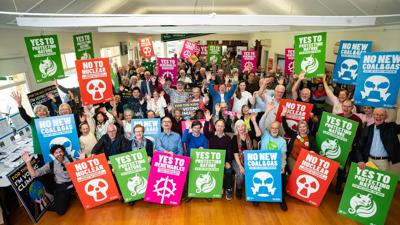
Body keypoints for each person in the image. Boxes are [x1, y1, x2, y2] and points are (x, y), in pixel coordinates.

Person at [21, 144, 84, 215]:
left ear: (63, 152)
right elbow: (34, 174)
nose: (59, 154)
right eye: (56, 153)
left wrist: (82, 160)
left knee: (86, 200)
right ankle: (65, 197)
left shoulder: (71, 159)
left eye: (60, 151)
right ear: (53, 154)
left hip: (74, 185)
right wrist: (28, 162)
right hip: (62, 188)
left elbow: (81, 168)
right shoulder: (51, 165)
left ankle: (71, 195)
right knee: (60, 211)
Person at [204, 111, 234, 200]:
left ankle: (228, 189)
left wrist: (227, 162)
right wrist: (207, 121)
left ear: (224, 127)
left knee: (229, 171)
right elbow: (205, 131)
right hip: (212, 163)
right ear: (215, 127)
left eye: (221, 126)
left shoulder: (228, 138)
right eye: (218, 126)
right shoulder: (211, 135)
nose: (220, 128)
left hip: (224, 162)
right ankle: (214, 188)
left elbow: (229, 151)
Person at [231, 115, 261, 200]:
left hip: (250, 160)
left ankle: (253, 190)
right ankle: (239, 189)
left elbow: (258, 134)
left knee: (253, 173)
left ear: (245, 127)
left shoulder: (249, 134)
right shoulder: (234, 137)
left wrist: (254, 122)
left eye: (242, 126)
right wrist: (240, 166)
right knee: (240, 175)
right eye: (238, 127)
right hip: (237, 160)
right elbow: (235, 153)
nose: (241, 128)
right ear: (236, 128)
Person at [260, 121, 288, 211]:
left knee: (283, 178)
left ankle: (281, 198)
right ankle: (256, 197)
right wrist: (267, 111)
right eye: (273, 128)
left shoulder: (282, 141)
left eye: (276, 128)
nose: (274, 130)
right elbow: (261, 124)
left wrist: (283, 167)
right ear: (270, 129)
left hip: (275, 165)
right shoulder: (265, 135)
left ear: (279, 130)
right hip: (262, 164)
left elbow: (283, 156)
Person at [11, 91, 48, 157]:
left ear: (47, 112)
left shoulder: (51, 120)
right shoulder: (33, 121)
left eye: (44, 111)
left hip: (51, 148)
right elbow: (24, 115)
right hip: (40, 150)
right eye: (39, 111)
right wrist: (19, 104)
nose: (42, 112)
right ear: (36, 114)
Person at [280, 106, 317, 171]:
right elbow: (285, 127)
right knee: (296, 171)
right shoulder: (294, 134)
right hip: (292, 158)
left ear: (307, 128)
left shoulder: (311, 138)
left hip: (304, 162)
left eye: (304, 127)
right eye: (300, 127)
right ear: (298, 129)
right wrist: (283, 115)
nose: (302, 129)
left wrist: (313, 152)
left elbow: (314, 149)